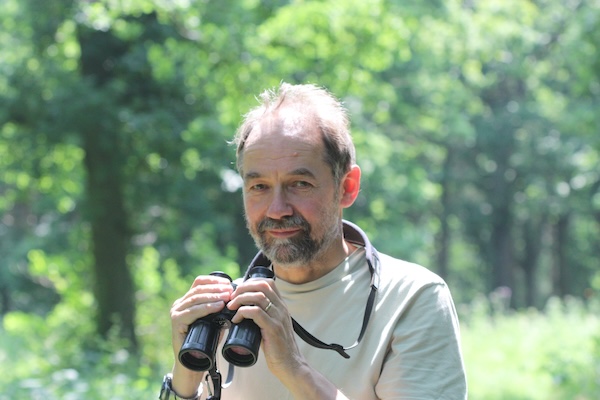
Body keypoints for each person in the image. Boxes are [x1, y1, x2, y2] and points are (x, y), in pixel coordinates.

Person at [161, 82, 467, 399]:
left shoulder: (411, 298)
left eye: (300, 184)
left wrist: (295, 370)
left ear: (347, 187)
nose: (277, 210)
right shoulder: (228, 312)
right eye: (259, 187)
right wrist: (184, 382)